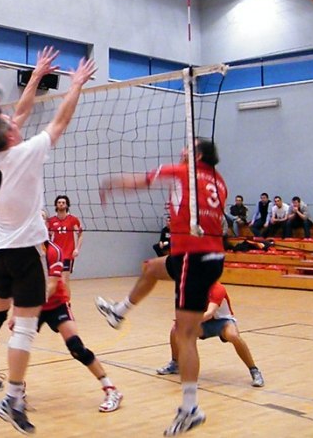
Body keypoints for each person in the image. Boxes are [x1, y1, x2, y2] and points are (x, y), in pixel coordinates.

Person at [0, 46, 96, 434]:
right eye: (10, 122)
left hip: (0, 252)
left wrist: (39, 75)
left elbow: (22, 112)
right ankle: (12, 397)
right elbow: (60, 121)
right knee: (24, 329)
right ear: (10, 135)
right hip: (26, 253)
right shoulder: (25, 153)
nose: (15, 120)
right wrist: (75, 85)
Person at [97, 138, 227, 436]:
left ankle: (190, 409)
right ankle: (119, 312)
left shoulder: (183, 172)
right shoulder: (219, 182)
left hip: (193, 258)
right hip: (208, 256)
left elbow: (140, 182)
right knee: (152, 269)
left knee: (185, 335)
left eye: (188, 147)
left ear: (197, 154)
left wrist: (112, 183)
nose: (182, 151)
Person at [39, 228, 123, 412]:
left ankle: (111, 389)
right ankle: (17, 390)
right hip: (33, 306)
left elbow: (51, 286)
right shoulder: (21, 250)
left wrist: (28, 307)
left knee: (76, 347)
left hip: (55, 305)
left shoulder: (53, 250)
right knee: (19, 343)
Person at [156, 281, 264, 388]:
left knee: (233, 336)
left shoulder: (218, 289)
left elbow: (209, 313)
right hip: (202, 323)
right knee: (176, 329)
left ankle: (254, 370)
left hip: (222, 322)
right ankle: (175, 364)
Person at [47, 194, 84, 295]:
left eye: (63, 202)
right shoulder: (51, 221)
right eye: (59, 202)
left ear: (67, 205)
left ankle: (67, 302)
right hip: (55, 256)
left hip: (67, 254)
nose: (61, 204)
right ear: (56, 205)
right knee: (54, 282)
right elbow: (47, 238)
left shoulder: (73, 219)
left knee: (64, 281)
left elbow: (81, 235)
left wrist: (77, 249)